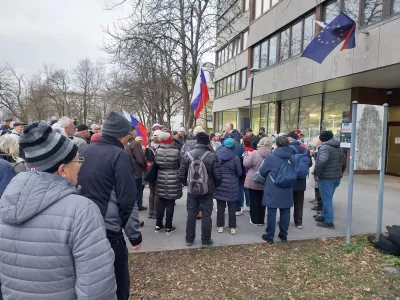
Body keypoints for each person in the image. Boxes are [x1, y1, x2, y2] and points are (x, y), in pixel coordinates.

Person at [0, 123, 117, 300]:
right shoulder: (81, 210)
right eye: (77, 160)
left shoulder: (5, 202)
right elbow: (97, 289)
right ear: (62, 169)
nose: (80, 165)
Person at [78, 112, 142, 300]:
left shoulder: (86, 150)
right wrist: (134, 235)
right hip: (109, 230)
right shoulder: (119, 155)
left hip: (84, 225)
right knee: (119, 283)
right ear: (122, 135)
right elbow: (127, 198)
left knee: (92, 279)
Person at [179, 132, 222, 247]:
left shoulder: (187, 155)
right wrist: (214, 186)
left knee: (191, 214)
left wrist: (188, 184)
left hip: (192, 190)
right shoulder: (212, 156)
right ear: (207, 141)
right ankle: (206, 240)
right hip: (207, 190)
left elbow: (181, 175)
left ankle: (189, 238)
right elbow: (218, 176)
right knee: (207, 215)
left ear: (196, 141)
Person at [259, 136, 295, 244]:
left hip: (273, 186)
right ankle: (284, 234)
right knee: (285, 211)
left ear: (277, 144)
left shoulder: (272, 157)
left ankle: (270, 235)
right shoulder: (292, 156)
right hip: (287, 186)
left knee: (272, 212)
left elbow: (262, 171)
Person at [314, 130, 346, 229]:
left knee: (327, 200)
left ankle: (329, 222)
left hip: (327, 177)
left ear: (321, 138)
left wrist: (317, 174)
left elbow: (322, 161)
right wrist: (340, 172)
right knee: (327, 198)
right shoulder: (339, 147)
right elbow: (344, 163)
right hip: (336, 177)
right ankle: (323, 216)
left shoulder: (324, 148)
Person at [154, 131, 182, 234]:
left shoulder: (157, 151)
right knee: (170, 202)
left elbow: (156, 163)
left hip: (161, 177)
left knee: (161, 202)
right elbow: (180, 164)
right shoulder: (176, 151)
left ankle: (158, 225)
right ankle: (168, 227)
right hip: (173, 177)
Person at [215, 138, 242, 235]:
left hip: (220, 184)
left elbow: (215, 169)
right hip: (232, 185)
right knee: (232, 207)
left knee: (220, 206)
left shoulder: (217, 155)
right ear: (234, 146)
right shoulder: (236, 158)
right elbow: (239, 172)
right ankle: (232, 227)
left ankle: (220, 226)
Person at [243, 137, 272, 225]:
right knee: (263, 201)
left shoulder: (254, 153)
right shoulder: (272, 154)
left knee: (254, 200)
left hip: (254, 179)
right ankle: (261, 220)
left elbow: (246, 164)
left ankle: (254, 219)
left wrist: (245, 157)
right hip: (266, 179)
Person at [287, 131, 312, 229]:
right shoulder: (305, 149)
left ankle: (285, 219)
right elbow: (309, 163)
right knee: (299, 202)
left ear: (292, 139)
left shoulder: (288, 148)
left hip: (290, 178)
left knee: (287, 201)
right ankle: (298, 222)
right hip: (301, 179)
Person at [126, 126, 147, 211]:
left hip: (128, 169)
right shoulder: (135, 143)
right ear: (131, 132)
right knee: (138, 189)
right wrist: (144, 165)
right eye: (135, 131)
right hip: (136, 170)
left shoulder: (125, 143)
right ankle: (137, 205)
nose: (136, 133)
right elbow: (140, 158)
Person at [145, 130, 162, 219]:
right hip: (158, 171)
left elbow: (145, 159)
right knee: (157, 192)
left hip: (150, 170)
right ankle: (155, 211)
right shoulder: (160, 147)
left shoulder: (148, 147)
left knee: (152, 192)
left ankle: (150, 211)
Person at [241, 134, 254, 211]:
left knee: (241, 189)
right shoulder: (253, 151)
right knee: (247, 189)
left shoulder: (241, 149)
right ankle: (249, 204)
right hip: (250, 172)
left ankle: (241, 205)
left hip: (242, 171)